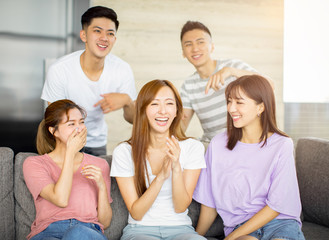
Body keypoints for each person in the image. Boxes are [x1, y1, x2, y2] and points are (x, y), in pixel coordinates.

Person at [193, 75, 305, 240]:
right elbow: (209, 202)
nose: (231, 108)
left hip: (281, 223)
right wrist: (195, 236)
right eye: (229, 101)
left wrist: (229, 239)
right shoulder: (217, 145)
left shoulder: (282, 145)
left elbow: (276, 205)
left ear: (260, 107)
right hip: (241, 227)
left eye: (239, 102)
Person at [111, 80, 207, 240]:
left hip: (181, 230)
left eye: (169, 103)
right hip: (139, 230)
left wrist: (176, 168)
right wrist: (161, 176)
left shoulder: (193, 147)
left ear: (177, 111)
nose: (163, 111)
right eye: (154, 104)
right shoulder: (124, 152)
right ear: (142, 110)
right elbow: (137, 212)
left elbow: (180, 206)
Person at [41, 6, 137, 156]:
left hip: (97, 143)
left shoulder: (122, 69)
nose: (104, 38)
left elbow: (133, 119)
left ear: (114, 39)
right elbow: (54, 118)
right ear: (84, 35)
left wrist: (127, 101)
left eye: (110, 33)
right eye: (97, 31)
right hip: (62, 141)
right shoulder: (59, 69)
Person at [23, 99, 112, 240]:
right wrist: (70, 153)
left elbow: (105, 223)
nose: (80, 128)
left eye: (81, 122)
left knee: (76, 233)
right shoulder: (34, 164)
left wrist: (101, 187)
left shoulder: (100, 165)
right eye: (71, 124)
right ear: (53, 131)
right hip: (47, 232)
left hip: (85, 231)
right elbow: (61, 199)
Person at [180, 21, 262, 144]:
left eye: (200, 42)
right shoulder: (188, 85)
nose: (195, 48)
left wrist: (231, 71)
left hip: (241, 141)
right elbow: (181, 125)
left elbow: (269, 85)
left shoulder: (233, 67)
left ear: (212, 46)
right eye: (188, 44)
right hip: (212, 145)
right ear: (183, 53)